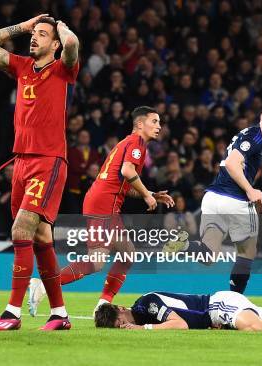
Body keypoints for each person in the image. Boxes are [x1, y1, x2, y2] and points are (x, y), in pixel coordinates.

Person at [0, 14, 79, 331]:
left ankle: (12, 313)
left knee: (21, 231)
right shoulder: (21, 67)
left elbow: (74, 44)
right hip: (21, 162)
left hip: (48, 162)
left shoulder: (63, 69)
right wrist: (23, 26)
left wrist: (60, 28)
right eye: (33, 34)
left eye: (42, 34)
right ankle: (60, 315)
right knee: (39, 238)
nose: (34, 38)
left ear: (55, 43)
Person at [29, 106, 174, 317]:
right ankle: (44, 285)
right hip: (103, 204)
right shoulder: (137, 143)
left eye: (160, 122)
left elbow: (123, 182)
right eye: (155, 121)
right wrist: (146, 195)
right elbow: (127, 171)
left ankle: (103, 303)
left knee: (127, 253)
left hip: (103, 200)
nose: (159, 127)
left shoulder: (128, 142)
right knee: (97, 261)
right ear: (140, 124)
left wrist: (149, 192)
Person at [163, 100, 262, 294]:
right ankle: (234, 301)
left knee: (208, 255)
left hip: (213, 198)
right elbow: (231, 163)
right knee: (247, 253)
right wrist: (250, 190)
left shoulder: (249, 135)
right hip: (235, 201)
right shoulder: (255, 136)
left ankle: (185, 245)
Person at [94, 290, 262, 333]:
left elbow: (180, 324)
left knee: (255, 328)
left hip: (217, 306)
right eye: (119, 328)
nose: (124, 327)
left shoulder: (146, 304)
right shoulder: (143, 312)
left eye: (121, 322)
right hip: (217, 314)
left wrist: (141, 329)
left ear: (121, 309)